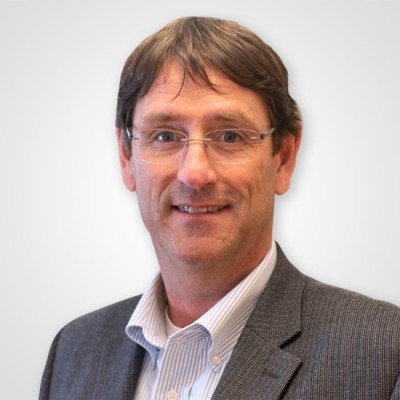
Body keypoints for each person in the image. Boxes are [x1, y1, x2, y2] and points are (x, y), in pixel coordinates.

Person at [39, 16, 400, 400]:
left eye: (229, 136)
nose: (195, 173)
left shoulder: (385, 356)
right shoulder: (73, 352)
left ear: (283, 158)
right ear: (127, 157)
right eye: (165, 135)